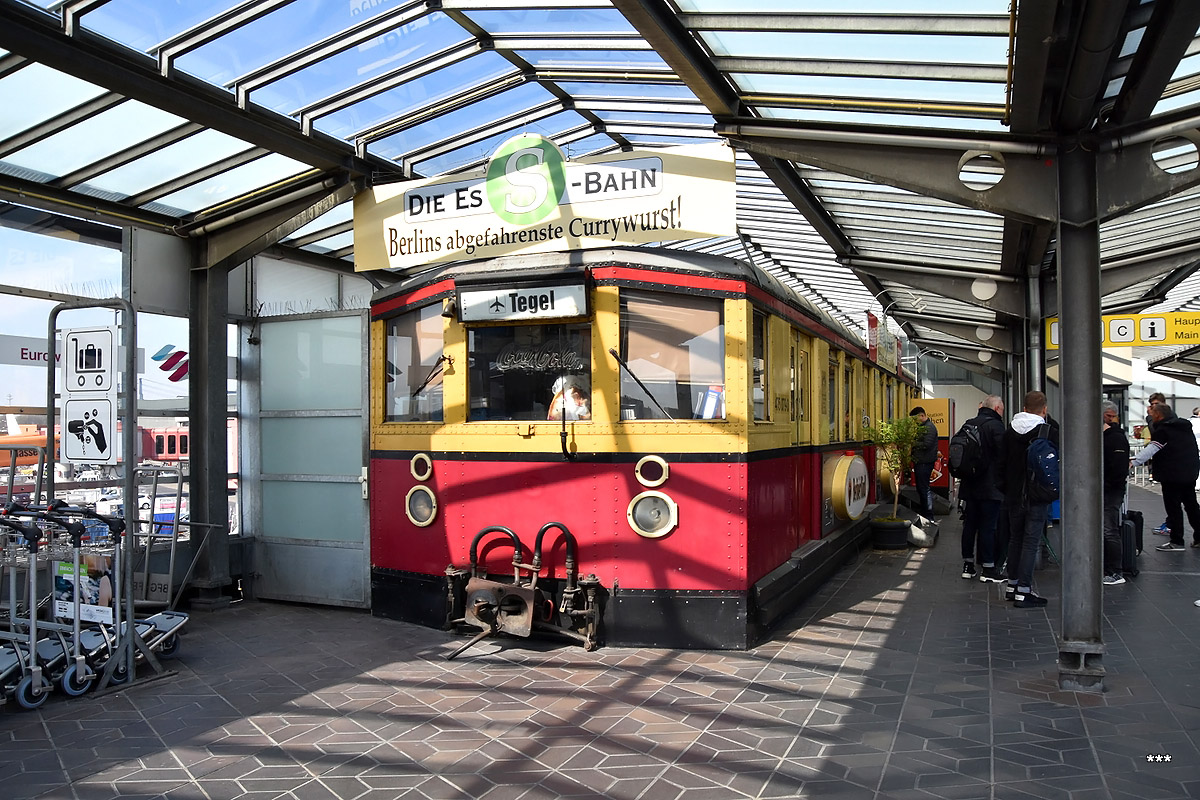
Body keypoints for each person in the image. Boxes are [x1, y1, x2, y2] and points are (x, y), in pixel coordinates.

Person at [999, 390, 1059, 608]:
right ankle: (1024, 591)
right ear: (1044, 409)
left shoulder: (1008, 432)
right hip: (1037, 496)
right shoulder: (1049, 431)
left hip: (1013, 496)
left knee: (1015, 539)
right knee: (1030, 542)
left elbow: (1001, 465)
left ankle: (1012, 585)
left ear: (1023, 408)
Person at [1131, 402, 1200, 551]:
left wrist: (1133, 462)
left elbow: (1153, 448)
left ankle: (1177, 541)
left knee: (1173, 507)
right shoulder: (1184, 427)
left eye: (1150, 413)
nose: (1149, 415)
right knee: (1191, 505)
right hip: (1189, 472)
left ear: (1158, 415)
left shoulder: (1163, 430)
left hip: (1172, 474)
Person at [958, 395, 1006, 582]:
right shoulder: (996, 426)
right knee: (988, 527)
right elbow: (1003, 456)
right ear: (996, 409)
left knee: (970, 525)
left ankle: (968, 566)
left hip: (970, 485)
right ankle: (988, 569)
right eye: (1001, 409)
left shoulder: (968, 424)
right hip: (990, 487)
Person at [1101, 400, 1131, 585]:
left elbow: (1118, 469)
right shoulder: (1112, 437)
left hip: (1110, 490)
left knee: (1109, 529)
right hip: (1108, 489)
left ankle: (1115, 571)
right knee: (1107, 529)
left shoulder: (1115, 438)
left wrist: (1107, 484)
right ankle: (1109, 568)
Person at [909, 406, 939, 520]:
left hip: (924, 462)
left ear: (922, 416)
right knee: (922, 488)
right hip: (922, 461)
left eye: (915, 419)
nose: (914, 422)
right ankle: (925, 513)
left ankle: (928, 515)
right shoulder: (924, 427)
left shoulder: (929, 428)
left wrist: (913, 443)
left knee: (924, 489)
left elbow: (927, 444)